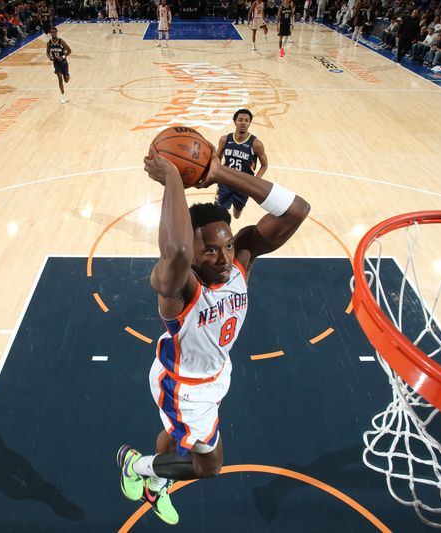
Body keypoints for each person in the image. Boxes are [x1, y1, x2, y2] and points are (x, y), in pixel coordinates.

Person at [117, 137, 310, 525]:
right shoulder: (180, 286)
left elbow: (296, 211)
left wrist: (218, 173)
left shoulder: (240, 260)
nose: (223, 258)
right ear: (192, 247)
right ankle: (138, 469)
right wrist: (172, 177)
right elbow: (174, 253)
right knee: (209, 467)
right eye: (210, 250)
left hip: (213, 374)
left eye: (226, 245)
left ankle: (155, 480)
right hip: (185, 387)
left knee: (174, 436)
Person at [215, 109, 268, 219]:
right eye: (240, 120)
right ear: (235, 122)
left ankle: (237, 207)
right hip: (226, 181)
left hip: (244, 184)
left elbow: (264, 165)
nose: (243, 122)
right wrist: (217, 172)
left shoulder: (256, 144)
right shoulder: (225, 139)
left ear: (250, 123)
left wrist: (255, 181)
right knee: (219, 214)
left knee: (236, 215)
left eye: (246, 120)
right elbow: (216, 158)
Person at [45, 27, 71, 104]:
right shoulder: (49, 43)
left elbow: (69, 51)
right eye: (52, 32)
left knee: (66, 80)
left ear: (56, 33)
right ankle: (63, 96)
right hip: (56, 63)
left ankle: (68, 74)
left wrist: (62, 57)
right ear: (50, 33)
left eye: (54, 32)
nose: (53, 33)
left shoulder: (61, 42)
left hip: (63, 62)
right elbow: (47, 52)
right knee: (59, 77)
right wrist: (49, 57)